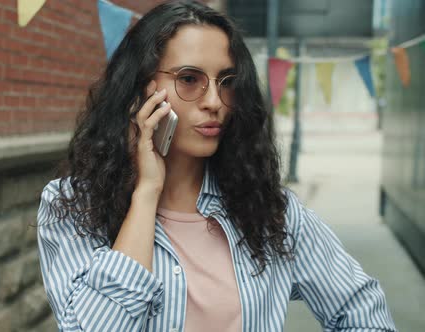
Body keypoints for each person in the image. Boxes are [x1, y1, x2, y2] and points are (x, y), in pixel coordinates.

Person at [36, 1, 396, 331]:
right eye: (189, 79)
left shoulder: (269, 210)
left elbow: (361, 309)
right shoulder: (74, 206)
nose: (214, 101)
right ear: (140, 90)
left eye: (226, 81)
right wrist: (146, 194)